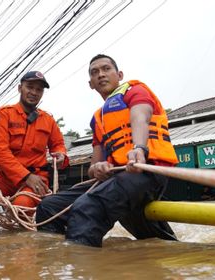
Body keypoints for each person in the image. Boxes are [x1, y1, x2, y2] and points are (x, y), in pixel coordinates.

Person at [36, 54, 179, 247]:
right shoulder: (98, 118)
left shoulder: (135, 91)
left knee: (88, 208)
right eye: (95, 72)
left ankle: (84, 271)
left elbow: (140, 117)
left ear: (119, 74)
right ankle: (52, 265)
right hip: (117, 178)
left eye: (106, 69)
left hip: (148, 172)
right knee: (49, 207)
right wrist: (98, 168)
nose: (101, 75)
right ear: (91, 84)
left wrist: (139, 148)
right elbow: (93, 167)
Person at [0, 71, 68, 209]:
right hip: (6, 178)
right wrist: (26, 176)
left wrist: (61, 154)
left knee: (23, 206)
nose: (34, 92)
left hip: (38, 178)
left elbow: (58, 144)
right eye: (30, 87)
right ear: (20, 88)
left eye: (39, 89)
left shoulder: (48, 120)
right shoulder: (3, 114)